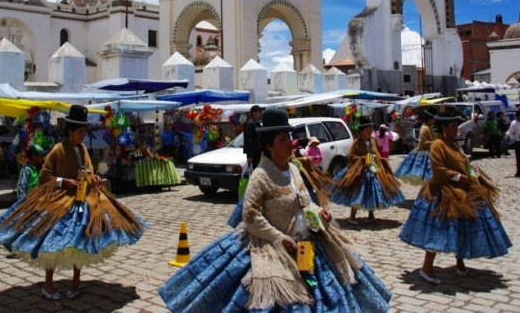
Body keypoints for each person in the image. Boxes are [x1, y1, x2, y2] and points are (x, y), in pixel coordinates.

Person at [160, 107, 392, 312]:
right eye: (283, 139)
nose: (290, 142)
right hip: (271, 245)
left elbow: (302, 200)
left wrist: (319, 212)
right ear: (269, 146)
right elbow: (251, 216)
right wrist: (279, 238)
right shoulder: (260, 176)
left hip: (304, 243)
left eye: (289, 137)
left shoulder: (293, 169)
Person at [0, 105, 145, 301]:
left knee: (80, 240)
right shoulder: (58, 150)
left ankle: (76, 281)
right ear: (70, 131)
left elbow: (88, 170)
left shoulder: (83, 148)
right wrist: (64, 181)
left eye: (84, 131)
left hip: (83, 198)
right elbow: (45, 176)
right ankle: (48, 284)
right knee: (53, 240)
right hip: (61, 200)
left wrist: (93, 178)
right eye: (80, 131)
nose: (83, 134)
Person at [399, 106, 511, 284]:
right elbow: (438, 169)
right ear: (443, 127)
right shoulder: (438, 144)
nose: (456, 129)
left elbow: (461, 162)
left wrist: (472, 172)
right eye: (452, 126)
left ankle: (460, 262)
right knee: (438, 231)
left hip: (462, 190)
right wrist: (458, 176)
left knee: (463, 227)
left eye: (456, 126)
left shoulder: (453, 143)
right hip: (442, 193)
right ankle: (427, 268)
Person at [330, 118, 405, 224]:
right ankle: (352, 217)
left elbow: (376, 153)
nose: (370, 132)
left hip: (373, 167)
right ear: (362, 131)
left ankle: (371, 215)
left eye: (371, 130)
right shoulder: (356, 142)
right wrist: (363, 158)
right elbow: (351, 156)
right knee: (357, 191)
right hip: (359, 170)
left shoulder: (372, 141)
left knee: (373, 190)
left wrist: (379, 159)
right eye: (367, 130)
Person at [395, 108, 436, 184]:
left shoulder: (429, 127)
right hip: (425, 153)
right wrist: (435, 142)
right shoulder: (425, 128)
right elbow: (423, 143)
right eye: (433, 119)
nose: (434, 121)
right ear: (429, 119)